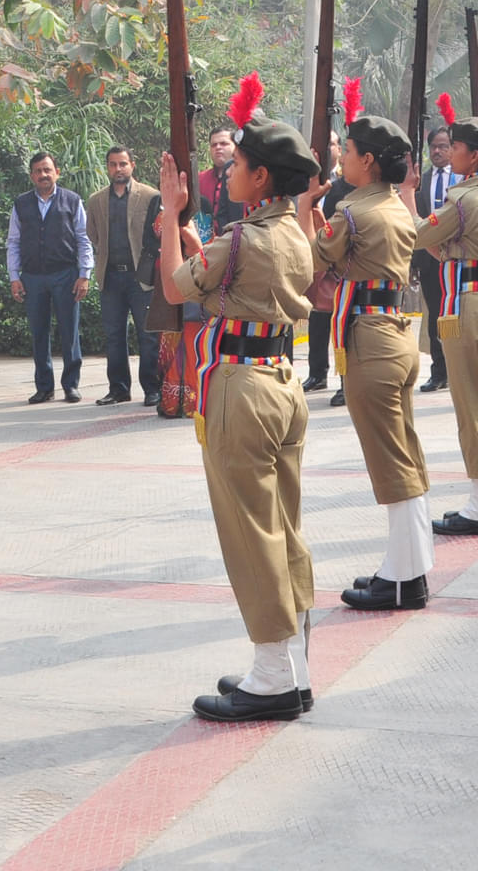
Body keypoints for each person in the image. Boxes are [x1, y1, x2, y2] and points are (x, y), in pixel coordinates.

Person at [158, 73, 319, 723]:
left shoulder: (246, 238)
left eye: (241, 166)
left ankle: (273, 673)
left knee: (249, 531)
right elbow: (230, 281)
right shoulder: (290, 236)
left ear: (261, 179)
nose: (229, 174)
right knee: (281, 525)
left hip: (242, 389)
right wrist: (202, 244)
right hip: (283, 381)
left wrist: (171, 217)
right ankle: (291, 663)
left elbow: (176, 288)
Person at [298, 89, 433, 614]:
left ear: (368, 161)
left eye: (347, 150)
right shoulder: (394, 206)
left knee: (390, 460)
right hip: (395, 330)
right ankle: (409, 568)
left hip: (371, 338)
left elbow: (310, 262)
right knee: (405, 455)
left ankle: (402, 579)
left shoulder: (353, 211)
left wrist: (308, 206)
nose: (340, 157)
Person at [416, 97, 478, 537]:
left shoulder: (462, 199)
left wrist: (401, 196)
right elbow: (443, 246)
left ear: (473, 156)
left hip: (468, 306)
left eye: (454, 147)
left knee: (473, 406)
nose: (448, 152)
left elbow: (418, 236)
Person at [6, 151, 93, 404]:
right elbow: (13, 241)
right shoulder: (21, 204)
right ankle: (44, 387)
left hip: (65, 274)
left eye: (47, 170)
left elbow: (83, 238)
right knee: (39, 332)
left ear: (57, 172)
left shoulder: (72, 201)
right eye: (38, 171)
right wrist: (14, 276)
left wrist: (84, 274)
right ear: (31, 175)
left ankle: (71, 385)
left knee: (69, 331)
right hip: (32, 276)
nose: (43, 175)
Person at [87, 146, 162, 406]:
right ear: (107, 168)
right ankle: (118, 389)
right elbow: (93, 234)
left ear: (132, 165)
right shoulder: (96, 200)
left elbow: (157, 234)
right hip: (111, 277)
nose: (118, 169)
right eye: (112, 164)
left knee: (148, 334)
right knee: (114, 335)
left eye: (122, 164)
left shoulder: (151, 196)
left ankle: (153, 388)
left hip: (140, 276)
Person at [298, 131, 349, 399]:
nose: (328, 149)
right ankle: (317, 373)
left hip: (340, 260)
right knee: (317, 320)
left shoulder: (345, 184)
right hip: (316, 257)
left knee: (343, 324)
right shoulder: (307, 183)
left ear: (340, 150)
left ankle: (345, 380)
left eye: (332, 144)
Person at [413, 126, 458, 393]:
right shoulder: (422, 180)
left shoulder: (463, 179)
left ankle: (457, 368)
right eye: (434, 147)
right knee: (434, 316)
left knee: (456, 313)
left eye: (443, 146)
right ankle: (438, 371)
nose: (438, 151)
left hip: (458, 256)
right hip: (430, 259)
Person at [197, 126, 246, 230]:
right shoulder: (199, 179)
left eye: (224, 144)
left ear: (236, 147)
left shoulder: (246, 180)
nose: (218, 147)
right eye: (214, 145)